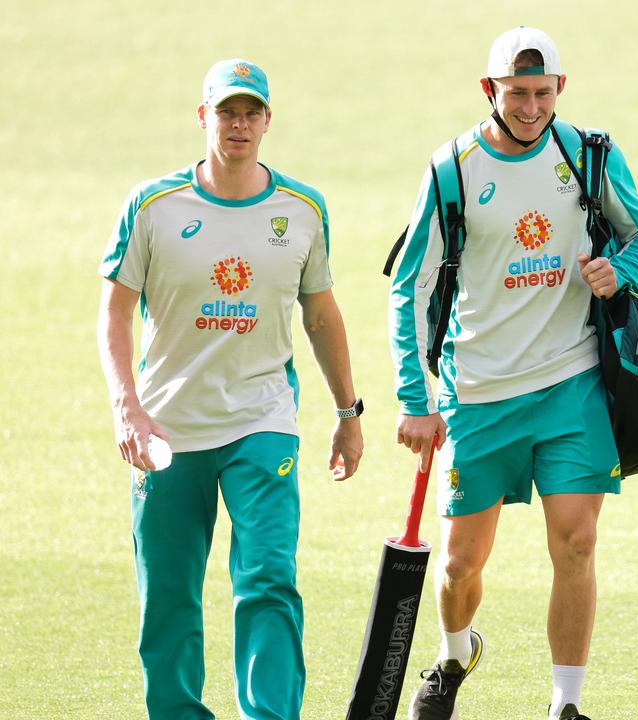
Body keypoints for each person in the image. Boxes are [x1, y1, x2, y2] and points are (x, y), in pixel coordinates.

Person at [388, 27, 638, 720]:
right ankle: (455, 653)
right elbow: (409, 289)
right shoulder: (452, 170)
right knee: (459, 567)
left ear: (561, 91)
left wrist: (619, 270)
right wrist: (413, 397)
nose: (531, 107)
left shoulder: (586, 154)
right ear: (490, 91)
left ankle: (564, 706)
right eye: (517, 93)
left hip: (572, 383)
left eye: (543, 93)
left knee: (576, 540)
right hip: (478, 394)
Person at [97, 59, 364, 720]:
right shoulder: (153, 206)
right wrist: (126, 406)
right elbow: (113, 312)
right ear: (203, 117)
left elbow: (321, 314)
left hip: (261, 420)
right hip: (166, 429)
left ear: (268, 121)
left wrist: (346, 411)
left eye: (251, 112)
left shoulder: (301, 210)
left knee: (268, 579)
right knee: (169, 597)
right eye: (226, 111)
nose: (239, 124)